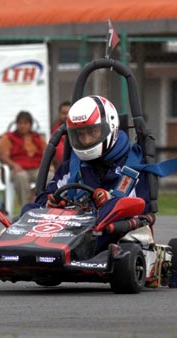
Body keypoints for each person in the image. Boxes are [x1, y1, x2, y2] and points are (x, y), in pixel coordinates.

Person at [22, 95, 153, 252]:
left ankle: (69, 250)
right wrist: (51, 204)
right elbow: (44, 197)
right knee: (29, 210)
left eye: (92, 132)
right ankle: (23, 246)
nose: (86, 140)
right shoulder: (72, 167)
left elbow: (141, 206)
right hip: (68, 229)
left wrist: (110, 199)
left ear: (110, 128)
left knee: (113, 207)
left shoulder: (133, 166)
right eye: (80, 134)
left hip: (109, 233)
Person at [0, 110, 46, 207]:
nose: (22, 126)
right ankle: (26, 207)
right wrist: (14, 165)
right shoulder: (8, 137)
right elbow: (3, 156)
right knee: (21, 177)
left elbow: (47, 154)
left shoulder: (38, 138)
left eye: (25, 123)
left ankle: (43, 205)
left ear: (30, 124)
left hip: (37, 168)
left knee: (49, 175)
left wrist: (50, 166)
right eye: (20, 123)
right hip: (18, 169)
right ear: (16, 124)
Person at [51, 101, 71, 168]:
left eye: (68, 113)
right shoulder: (55, 131)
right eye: (64, 113)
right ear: (59, 114)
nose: (66, 116)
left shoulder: (79, 130)